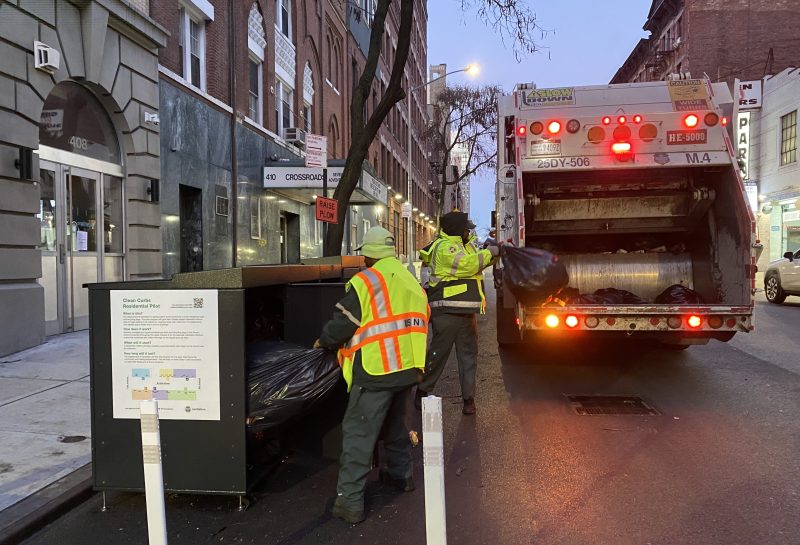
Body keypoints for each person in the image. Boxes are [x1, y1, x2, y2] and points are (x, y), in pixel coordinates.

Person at [314, 227, 429, 524]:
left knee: (358, 438)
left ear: (368, 254)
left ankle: (349, 504)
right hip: (409, 367)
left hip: (377, 370)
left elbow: (343, 325)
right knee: (397, 427)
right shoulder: (409, 279)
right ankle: (401, 477)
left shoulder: (367, 281)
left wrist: (323, 341)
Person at [416, 212, 499, 415]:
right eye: (465, 228)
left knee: (468, 356)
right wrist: (490, 253)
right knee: (438, 355)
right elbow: (467, 265)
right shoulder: (446, 247)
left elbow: (475, 264)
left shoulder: (464, 244)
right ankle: (422, 391)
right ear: (456, 229)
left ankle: (468, 399)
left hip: (465, 311)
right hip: (446, 311)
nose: (468, 231)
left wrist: (493, 253)